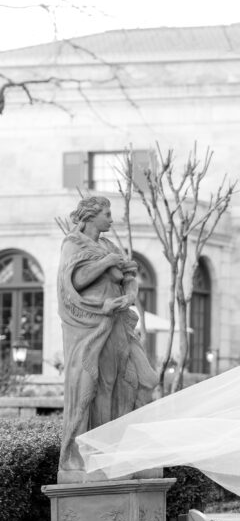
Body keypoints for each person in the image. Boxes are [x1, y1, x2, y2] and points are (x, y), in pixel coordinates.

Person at [58, 196, 158, 479]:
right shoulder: (73, 244)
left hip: (118, 322)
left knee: (145, 380)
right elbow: (73, 283)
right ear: (91, 216)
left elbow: (128, 278)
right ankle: (101, 453)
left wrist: (130, 292)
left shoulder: (110, 246)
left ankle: (129, 449)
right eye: (107, 214)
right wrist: (106, 264)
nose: (112, 219)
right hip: (92, 325)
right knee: (103, 385)